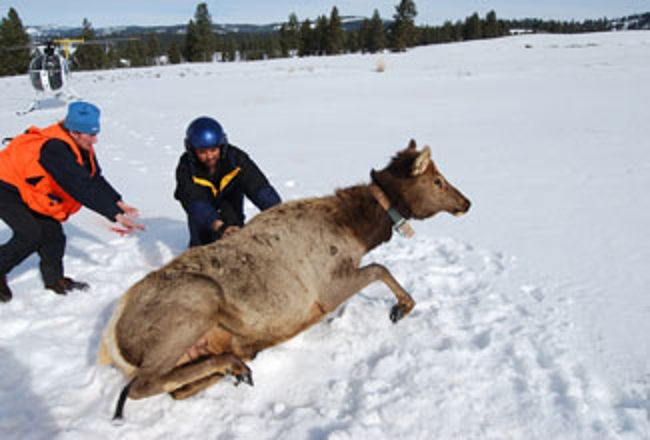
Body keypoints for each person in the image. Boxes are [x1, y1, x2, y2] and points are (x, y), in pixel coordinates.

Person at [0, 101, 145, 303]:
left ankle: (55, 280)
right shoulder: (55, 149)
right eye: (91, 135)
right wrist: (115, 215)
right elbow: (79, 186)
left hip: (30, 190)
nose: (95, 140)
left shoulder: (79, 145)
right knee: (30, 234)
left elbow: (93, 177)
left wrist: (118, 202)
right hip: (6, 188)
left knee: (53, 235)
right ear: (75, 132)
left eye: (96, 133)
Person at [174, 116, 281, 247]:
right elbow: (196, 202)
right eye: (202, 152)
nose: (209, 156)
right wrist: (218, 226)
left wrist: (278, 212)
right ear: (192, 150)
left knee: (233, 236)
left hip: (230, 201)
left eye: (213, 150)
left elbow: (259, 188)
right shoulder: (186, 168)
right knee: (202, 237)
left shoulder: (236, 159)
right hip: (203, 207)